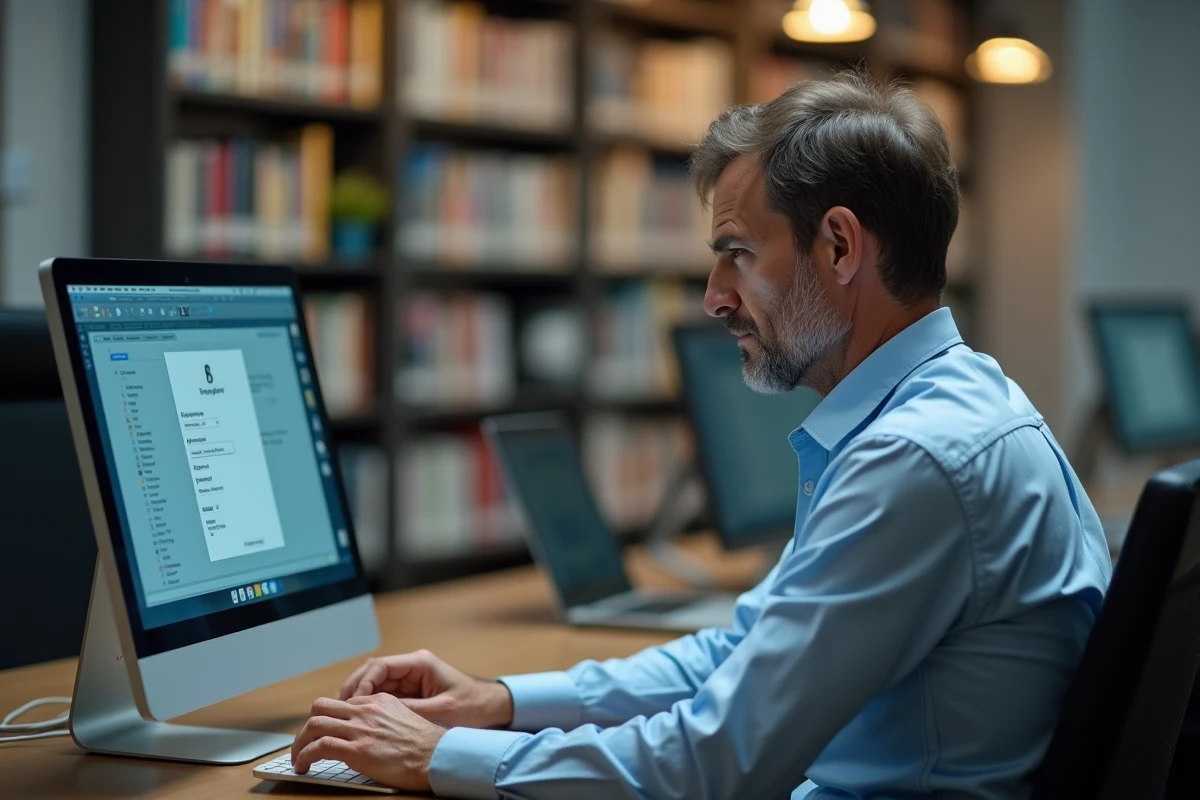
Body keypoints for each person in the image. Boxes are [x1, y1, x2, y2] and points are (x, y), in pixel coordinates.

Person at [288, 71, 1112, 799]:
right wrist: (498, 702)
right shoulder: (944, 409)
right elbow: (741, 651)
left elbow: (709, 767)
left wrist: (444, 755)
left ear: (839, 246)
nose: (716, 297)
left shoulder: (914, 460)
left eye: (737, 254)